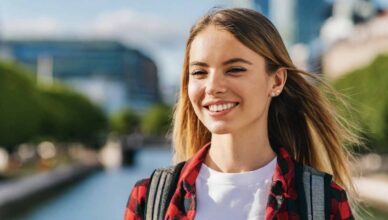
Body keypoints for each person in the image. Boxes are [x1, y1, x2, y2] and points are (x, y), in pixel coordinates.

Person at [125, 8, 361, 220]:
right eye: (199, 72)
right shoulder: (150, 199)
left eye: (235, 69)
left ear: (276, 81)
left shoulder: (324, 202)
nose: (213, 86)